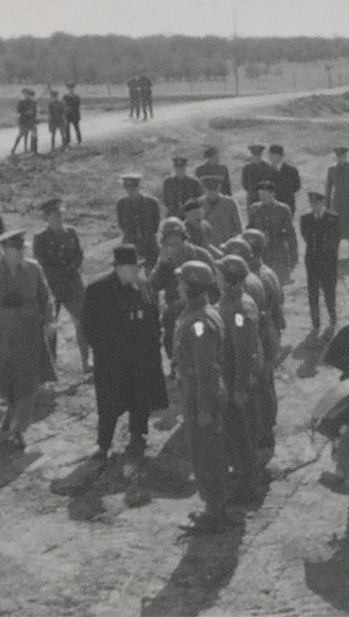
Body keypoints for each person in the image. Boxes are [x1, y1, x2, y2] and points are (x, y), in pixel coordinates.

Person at [81, 244, 167, 460]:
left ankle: (138, 435)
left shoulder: (143, 285)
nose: (136, 272)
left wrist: (152, 344)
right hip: (112, 360)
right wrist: (103, 350)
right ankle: (103, 444)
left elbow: (152, 316)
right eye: (132, 268)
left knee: (140, 398)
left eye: (137, 267)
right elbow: (88, 325)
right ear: (118, 268)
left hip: (139, 357)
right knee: (109, 403)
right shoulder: (98, 289)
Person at [172, 260, 229, 534]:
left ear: (193, 287)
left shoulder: (200, 323)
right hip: (198, 391)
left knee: (205, 452)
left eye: (183, 284)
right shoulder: (201, 312)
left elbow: (207, 369)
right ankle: (214, 504)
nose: (179, 288)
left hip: (200, 394)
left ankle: (215, 510)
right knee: (206, 450)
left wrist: (204, 407)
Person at [219, 237, 279, 453]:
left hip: (257, 340)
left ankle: (262, 435)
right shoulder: (257, 276)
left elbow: (244, 327)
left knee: (260, 390)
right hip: (264, 336)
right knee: (265, 387)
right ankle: (265, 430)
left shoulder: (247, 288)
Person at [0, 230, 56, 450]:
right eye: (14, 250)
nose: (19, 254)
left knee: (28, 383)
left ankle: (18, 430)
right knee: (9, 383)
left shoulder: (33, 269)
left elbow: (46, 297)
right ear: (4, 250)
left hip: (29, 336)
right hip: (4, 337)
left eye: (21, 249)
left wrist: (50, 321)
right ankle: (9, 422)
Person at [216, 254, 264, 501]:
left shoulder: (240, 308)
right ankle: (243, 476)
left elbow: (244, 351)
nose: (216, 279)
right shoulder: (230, 301)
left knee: (240, 434)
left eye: (219, 275)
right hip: (232, 376)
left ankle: (246, 486)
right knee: (235, 432)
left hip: (237, 379)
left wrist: (240, 387)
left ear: (230, 279)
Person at [33, 198, 90, 372]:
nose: (59, 218)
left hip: (73, 284)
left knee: (82, 321)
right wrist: (59, 273)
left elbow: (79, 254)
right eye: (55, 215)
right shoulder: (40, 237)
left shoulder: (71, 232)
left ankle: (85, 361)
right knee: (50, 325)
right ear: (47, 218)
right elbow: (41, 262)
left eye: (61, 214)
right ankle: (51, 366)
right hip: (52, 286)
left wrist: (73, 268)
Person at [149, 218, 218, 360]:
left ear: (184, 237)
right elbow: (154, 286)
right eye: (169, 241)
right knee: (172, 344)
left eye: (176, 239)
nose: (173, 245)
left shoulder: (200, 255)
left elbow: (215, 284)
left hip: (199, 308)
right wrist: (162, 264)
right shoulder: (164, 259)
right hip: (175, 310)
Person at [300, 190, 341, 332]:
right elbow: (306, 237)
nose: (313, 206)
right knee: (313, 291)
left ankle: (332, 315)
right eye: (311, 203)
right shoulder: (305, 218)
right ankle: (315, 320)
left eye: (316, 203)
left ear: (322, 203)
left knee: (329, 290)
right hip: (311, 259)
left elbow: (335, 239)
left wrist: (327, 251)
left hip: (328, 260)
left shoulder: (333, 218)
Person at [246, 180, 297, 285]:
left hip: (278, 253)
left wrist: (293, 257)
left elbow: (291, 234)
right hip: (260, 255)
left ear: (272, 194)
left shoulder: (282, 209)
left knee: (278, 285)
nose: (261, 197)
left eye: (264, 194)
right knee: (262, 285)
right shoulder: (254, 209)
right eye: (260, 194)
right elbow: (249, 230)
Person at [116, 172, 161, 272]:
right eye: (128, 189)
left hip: (149, 242)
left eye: (133, 188)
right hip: (130, 242)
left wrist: (147, 234)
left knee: (153, 270)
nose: (131, 191)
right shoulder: (121, 203)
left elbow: (156, 223)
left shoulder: (151, 202)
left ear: (139, 187)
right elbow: (121, 223)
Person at [200, 174, 242, 246]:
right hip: (207, 246)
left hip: (226, 244)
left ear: (219, 188)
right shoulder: (199, 204)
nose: (212, 193)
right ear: (204, 189)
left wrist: (233, 242)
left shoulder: (230, 203)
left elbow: (238, 226)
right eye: (209, 190)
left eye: (215, 190)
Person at [265, 144, 302, 215]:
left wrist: (285, 192)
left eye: (273, 155)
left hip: (287, 204)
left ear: (279, 156)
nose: (270, 157)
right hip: (270, 207)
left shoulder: (291, 170)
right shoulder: (266, 170)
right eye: (269, 155)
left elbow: (297, 186)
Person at [11, 88, 38, 156]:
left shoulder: (34, 102)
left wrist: (34, 119)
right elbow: (18, 110)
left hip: (31, 121)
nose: (28, 96)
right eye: (26, 95)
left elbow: (34, 112)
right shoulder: (22, 102)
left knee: (34, 134)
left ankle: (34, 150)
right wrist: (26, 112)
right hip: (23, 121)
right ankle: (14, 148)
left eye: (29, 95)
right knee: (21, 135)